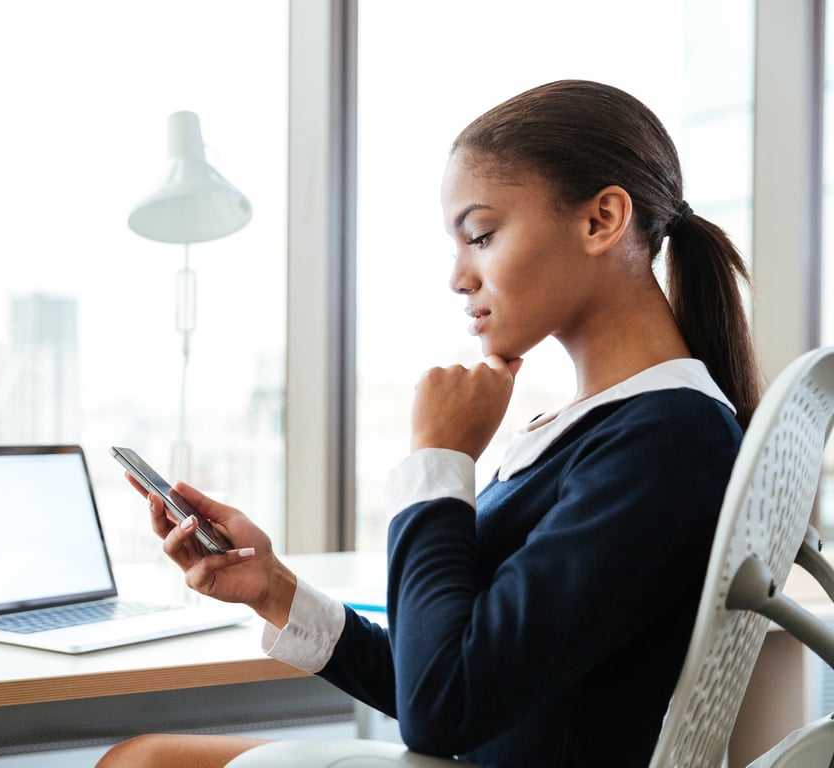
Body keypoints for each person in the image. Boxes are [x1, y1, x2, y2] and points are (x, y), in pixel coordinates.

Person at [97, 79, 759, 768]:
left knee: (145, 763)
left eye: (481, 235)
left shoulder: (667, 440)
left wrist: (439, 458)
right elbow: (438, 682)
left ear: (601, 221)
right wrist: (272, 589)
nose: (458, 278)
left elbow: (444, 707)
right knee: (145, 757)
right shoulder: (613, 431)